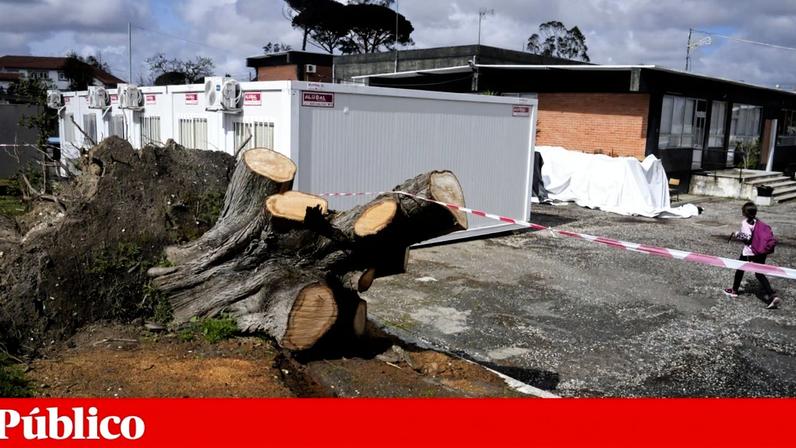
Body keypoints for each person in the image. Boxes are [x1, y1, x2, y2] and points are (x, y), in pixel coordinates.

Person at [723, 202, 782, 309]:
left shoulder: (745, 223)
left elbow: (747, 238)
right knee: (759, 274)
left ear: (744, 213)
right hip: (761, 251)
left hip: (750, 251)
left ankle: (734, 290)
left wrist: (736, 234)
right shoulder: (758, 222)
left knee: (739, 268)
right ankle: (772, 295)